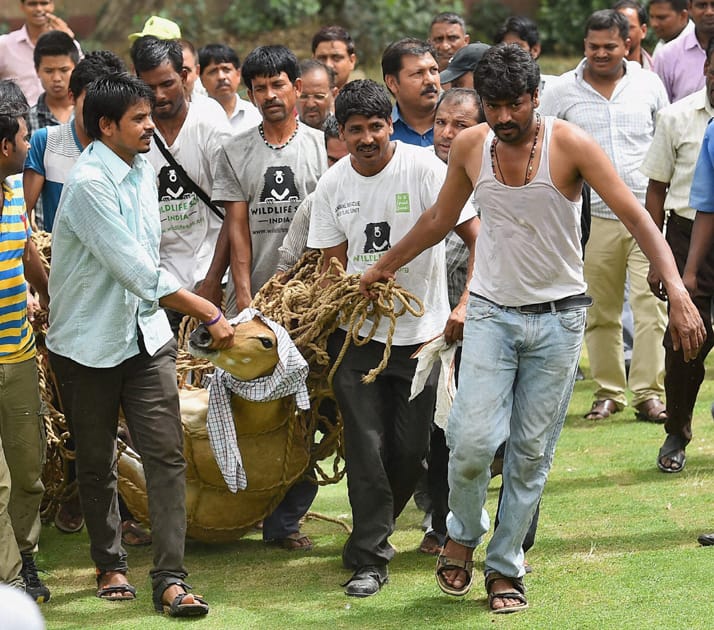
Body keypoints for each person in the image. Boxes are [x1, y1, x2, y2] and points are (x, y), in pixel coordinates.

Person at [358, 43, 704, 614]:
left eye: (513, 105)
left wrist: (680, 292)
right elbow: (440, 219)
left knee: (529, 455)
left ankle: (504, 568)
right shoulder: (472, 146)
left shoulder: (570, 145)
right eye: (492, 106)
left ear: (536, 98)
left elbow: (637, 214)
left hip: (560, 318)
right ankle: (463, 535)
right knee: (469, 444)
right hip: (492, 313)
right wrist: (382, 267)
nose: (502, 118)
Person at [46, 71, 234, 616]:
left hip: (145, 338)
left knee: (166, 455)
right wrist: (207, 309)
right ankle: (109, 563)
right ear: (106, 126)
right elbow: (136, 270)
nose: (152, 125)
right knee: (97, 460)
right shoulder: (87, 185)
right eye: (139, 119)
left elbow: (148, 265)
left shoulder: (142, 168)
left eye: (150, 114)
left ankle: (171, 579)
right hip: (86, 346)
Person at [307, 79, 477, 597]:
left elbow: (478, 238)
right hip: (355, 338)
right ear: (341, 132)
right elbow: (331, 267)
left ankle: (369, 530)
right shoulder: (332, 186)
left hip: (422, 338)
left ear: (391, 125)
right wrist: (348, 291)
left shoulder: (426, 169)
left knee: (410, 452)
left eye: (375, 127)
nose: (366, 139)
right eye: (354, 129)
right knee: (365, 444)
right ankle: (370, 557)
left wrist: (467, 302)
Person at [207, 45, 327, 551]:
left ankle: (285, 520)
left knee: (313, 409)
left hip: (317, 302)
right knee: (256, 410)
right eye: (260, 88)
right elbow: (237, 231)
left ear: (297, 88)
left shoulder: (324, 146)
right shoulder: (234, 151)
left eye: (279, 84)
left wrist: (321, 294)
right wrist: (248, 302)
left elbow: (334, 224)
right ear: (249, 93)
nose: (270, 95)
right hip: (256, 302)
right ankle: (247, 505)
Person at [540, 10, 670, 423]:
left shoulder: (648, 85)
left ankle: (649, 393)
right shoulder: (562, 91)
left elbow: (663, 142)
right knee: (599, 310)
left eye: (609, 46)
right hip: (591, 217)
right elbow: (543, 143)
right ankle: (609, 392)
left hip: (647, 215)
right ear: (584, 45)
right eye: (593, 46)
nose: (601, 53)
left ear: (627, 43)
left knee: (651, 306)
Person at [640, 39, 714, 474]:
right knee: (684, 343)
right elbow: (657, 190)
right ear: (705, 68)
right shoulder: (677, 117)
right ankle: (678, 428)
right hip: (689, 237)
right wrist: (659, 259)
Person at [130, 36, 232, 334]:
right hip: (160, 284)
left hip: (211, 274)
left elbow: (234, 209)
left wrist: (213, 279)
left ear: (185, 76)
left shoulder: (210, 123)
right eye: (149, 87)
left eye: (167, 84)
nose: (159, 95)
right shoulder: (135, 131)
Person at [0, 79, 51, 604]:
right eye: (22, 138)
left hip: (18, 351)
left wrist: (48, 295)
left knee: (27, 473)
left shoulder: (15, 189)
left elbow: (26, 249)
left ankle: (25, 556)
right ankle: (9, 583)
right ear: (3, 147)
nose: (27, 145)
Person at [24, 51, 126, 232]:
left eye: (106, 104)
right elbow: (22, 214)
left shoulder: (127, 147)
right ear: (72, 96)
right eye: (90, 102)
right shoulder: (47, 141)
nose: (97, 113)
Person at [275, 115, 348, 272]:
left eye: (348, 159)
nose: (340, 169)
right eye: (333, 160)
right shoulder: (313, 204)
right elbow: (287, 263)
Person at [0, 0, 77, 106]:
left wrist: (68, 40)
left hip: (60, 118)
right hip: (18, 119)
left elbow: (83, 78)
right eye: (32, 4)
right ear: (22, 6)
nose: (39, 9)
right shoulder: (4, 45)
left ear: (52, 5)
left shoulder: (69, 42)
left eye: (44, 3)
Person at [383, 38, 440, 147]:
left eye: (434, 70)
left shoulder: (460, 124)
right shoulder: (382, 134)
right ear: (392, 83)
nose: (430, 80)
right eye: (418, 73)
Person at [654, 0, 714, 101]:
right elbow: (661, 109)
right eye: (702, 5)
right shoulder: (667, 56)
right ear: (689, 7)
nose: (709, 12)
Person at [198, 43, 261, 133]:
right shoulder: (195, 119)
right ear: (201, 80)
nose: (221, 77)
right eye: (213, 72)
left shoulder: (257, 115)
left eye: (226, 70)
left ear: (238, 74)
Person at [26, 30, 78, 133]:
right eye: (49, 71)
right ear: (37, 70)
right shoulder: (27, 120)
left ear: (76, 68)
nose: (56, 78)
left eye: (64, 70)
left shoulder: (90, 114)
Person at [311, 26, 357, 91]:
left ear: (352, 61)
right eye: (322, 58)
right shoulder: (299, 99)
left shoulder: (366, 100)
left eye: (336, 58)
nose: (328, 65)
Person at [296, 60, 337, 130]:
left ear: (333, 94)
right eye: (303, 97)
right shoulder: (284, 136)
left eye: (319, 97)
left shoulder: (344, 133)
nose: (310, 104)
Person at [615, 0, 654, 68]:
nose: (623, 32)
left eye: (629, 27)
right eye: (618, 27)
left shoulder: (658, 68)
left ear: (643, 31)